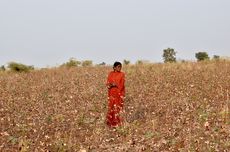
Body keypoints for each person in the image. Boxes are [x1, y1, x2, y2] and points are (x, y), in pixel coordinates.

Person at [106, 61, 125, 127]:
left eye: (120, 67)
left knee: (118, 107)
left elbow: (122, 85)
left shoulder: (122, 74)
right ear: (114, 67)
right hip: (111, 92)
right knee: (111, 106)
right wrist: (110, 85)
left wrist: (115, 84)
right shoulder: (110, 73)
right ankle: (110, 122)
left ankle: (117, 123)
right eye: (118, 67)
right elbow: (108, 83)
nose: (120, 68)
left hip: (118, 93)